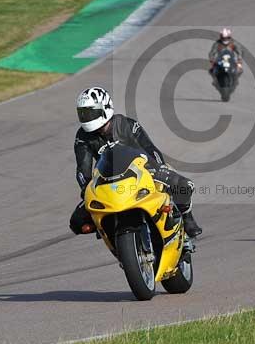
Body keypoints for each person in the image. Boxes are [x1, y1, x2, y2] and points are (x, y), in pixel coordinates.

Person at [69, 86, 202, 238]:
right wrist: (86, 189)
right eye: (83, 114)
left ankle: (186, 216)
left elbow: (150, 149)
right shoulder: (82, 137)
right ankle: (110, 232)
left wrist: (159, 167)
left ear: (105, 107)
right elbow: (82, 168)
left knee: (183, 186)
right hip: (107, 181)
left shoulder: (127, 124)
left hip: (140, 172)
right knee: (77, 222)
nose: (87, 118)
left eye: (90, 112)